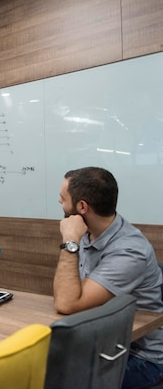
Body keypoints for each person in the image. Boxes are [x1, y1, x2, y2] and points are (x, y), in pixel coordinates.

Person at [54, 166, 163, 389]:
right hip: (100, 343)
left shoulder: (129, 250)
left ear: (82, 206)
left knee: (59, 383)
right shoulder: (88, 233)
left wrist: (70, 241)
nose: (59, 202)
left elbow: (66, 302)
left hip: (139, 358)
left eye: (63, 198)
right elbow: (70, 295)